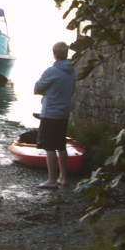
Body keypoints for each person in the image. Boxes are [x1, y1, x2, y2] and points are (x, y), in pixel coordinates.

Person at [33, 41, 76, 189]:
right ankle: (63, 178)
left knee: (50, 147)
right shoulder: (72, 71)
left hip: (50, 112)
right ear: (66, 54)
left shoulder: (51, 71)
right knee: (60, 145)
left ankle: (51, 180)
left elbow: (37, 88)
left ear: (54, 54)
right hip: (63, 112)